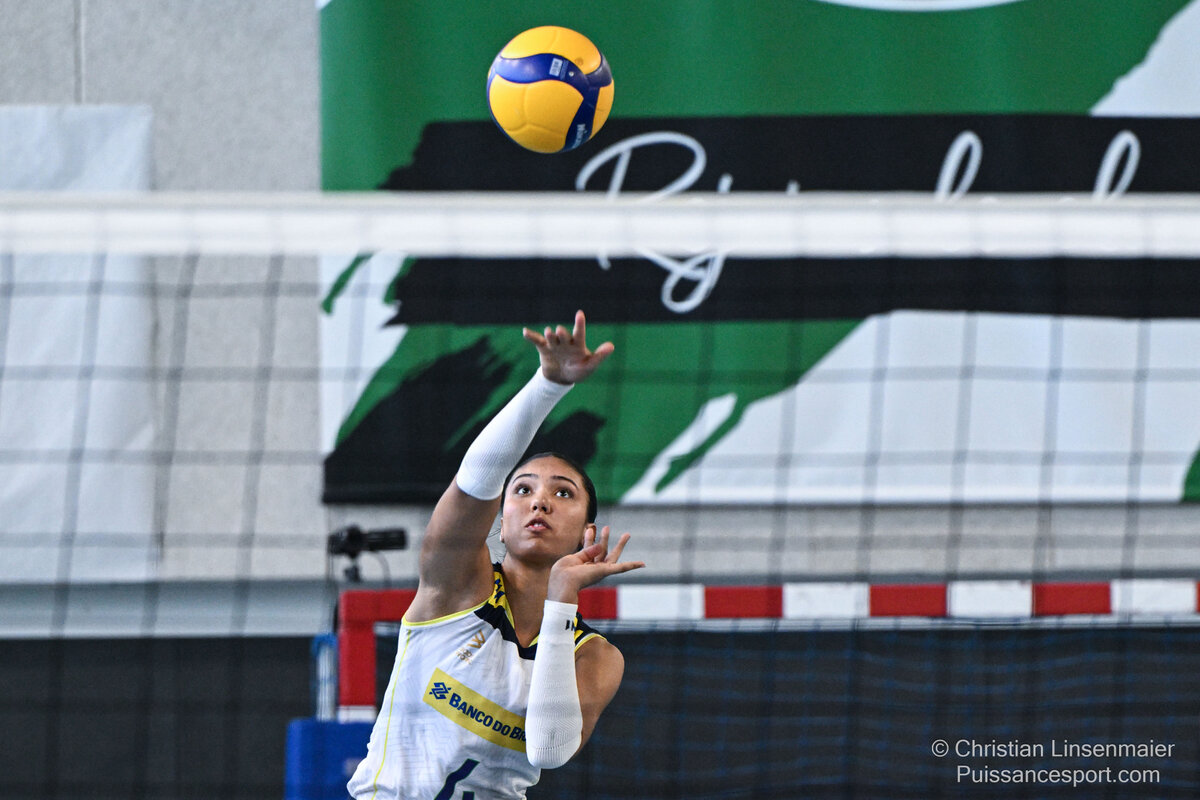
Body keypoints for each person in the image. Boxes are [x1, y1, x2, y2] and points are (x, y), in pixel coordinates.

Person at [348, 310, 645, 800]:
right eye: (522, 490)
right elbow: (475, 480)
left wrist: (561, 600)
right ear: (501, 524)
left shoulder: (596, 657)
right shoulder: (455, 585)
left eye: (563, 493)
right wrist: (549, 385)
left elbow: (548, 751)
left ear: (586, 534)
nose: (540, 502)